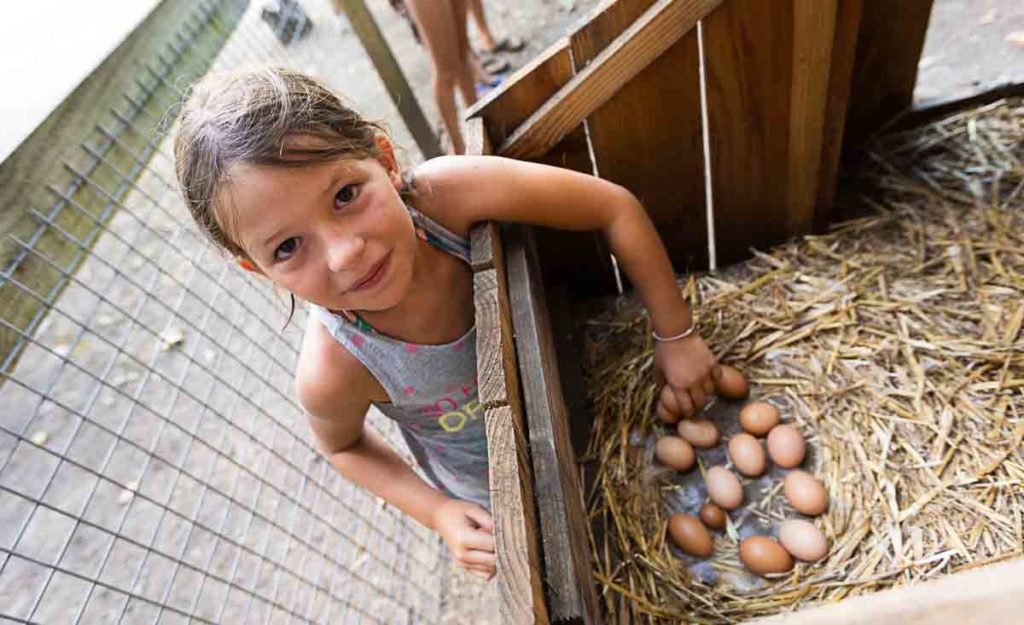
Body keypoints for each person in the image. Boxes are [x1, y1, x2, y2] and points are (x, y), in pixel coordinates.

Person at [173, 67, 719, 580]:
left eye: (345, 196)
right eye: (288, 246)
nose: (345, 254)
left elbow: (613, 207)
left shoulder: (447, 200)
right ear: (258, 269)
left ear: (384, 160)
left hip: (594, 388)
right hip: (512, 492)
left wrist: (677, 334)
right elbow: (342, 447)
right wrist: (438, 512)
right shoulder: (336, 369)